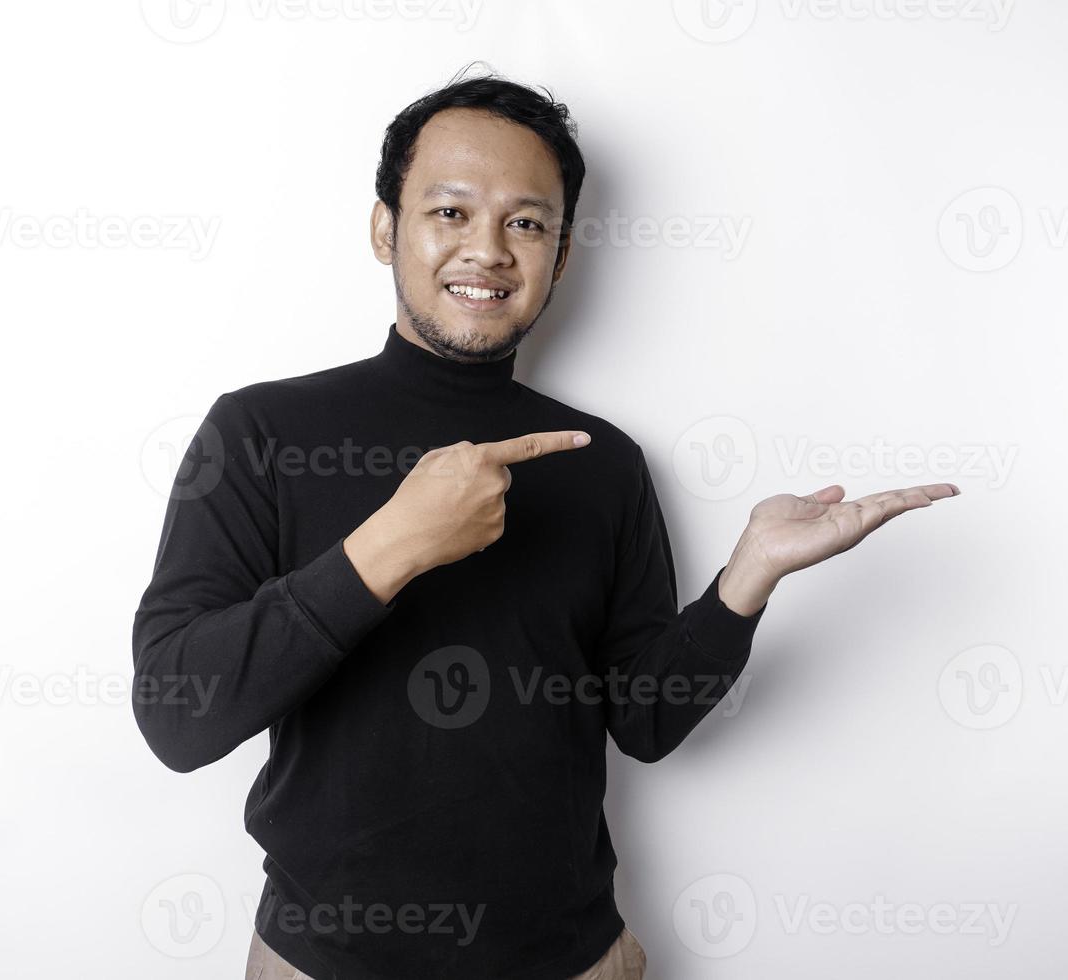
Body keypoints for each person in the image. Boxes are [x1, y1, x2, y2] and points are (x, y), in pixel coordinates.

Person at [131, 65, 960, 980]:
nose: (487, 249)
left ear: (560, 257)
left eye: (525, 222)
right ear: (384, 228)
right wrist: (393, 543)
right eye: (449, 211)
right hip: (322, 961)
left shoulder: (601, 462)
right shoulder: (262, 434)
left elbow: (642, 722)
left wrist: (747, 580)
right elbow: (179, 718)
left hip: (570, 960)